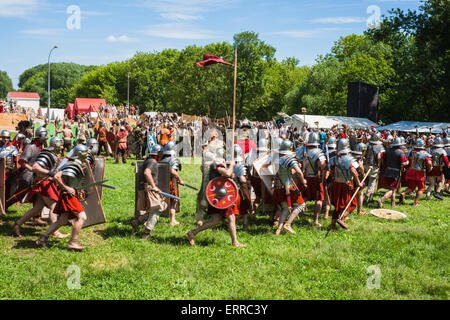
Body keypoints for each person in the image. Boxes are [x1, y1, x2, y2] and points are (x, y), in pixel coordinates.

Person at [187, 141, 247, 247]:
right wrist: (232, 165)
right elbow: (228, 173)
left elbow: (229, 176)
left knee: (215, 221)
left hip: (218, 195)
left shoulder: (219, 164)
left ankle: (193, 233)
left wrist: (230, 170)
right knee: (231, 218)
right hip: (218, 196)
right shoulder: (216, 164)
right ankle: (235, 242)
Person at [35, 145, 93, 251]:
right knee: (82, 217)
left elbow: (74, 181)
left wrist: (78, 190)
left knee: (61, 221)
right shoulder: (71, 163)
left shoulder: (78, 163)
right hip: (68, 195)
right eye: (86, 153)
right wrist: (67, 188)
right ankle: (72, 242)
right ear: (79, 154)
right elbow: (57, 176)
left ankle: (42, 238)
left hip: (69, 194)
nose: (88, 155)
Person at [12, 136, 68, 239]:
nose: (62, 147)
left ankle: (17, 224)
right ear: (55, 144)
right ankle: (55, 232)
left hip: (46, 182)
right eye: (60, 144)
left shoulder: (53, 154)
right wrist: (50, 173)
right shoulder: (47, 154)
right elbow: (35, 167)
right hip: (44, 183)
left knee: (37, 208)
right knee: (54, 207)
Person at [130, 145, 168, 240]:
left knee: (153, 210)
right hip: (149, 190)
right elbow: (147, 172)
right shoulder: (152, 161)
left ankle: (137, 221)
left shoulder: (147, 160)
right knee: (157, 209)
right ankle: (146, 233)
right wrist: (154, 187)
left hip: (145, 188)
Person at [273, 139, 307, 234]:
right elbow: (299, 172)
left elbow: (284, 172)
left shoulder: (277, 158)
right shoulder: (290, 159)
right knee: (301, 205)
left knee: (285, 208)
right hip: (288, 187)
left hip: (279, 186)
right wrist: (303, 180)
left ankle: (278, 230)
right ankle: (288, 224)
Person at [328, 139, 363, 231]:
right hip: (346, 185)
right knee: (351, 204)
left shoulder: (334, 158)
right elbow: (353, 171)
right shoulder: (349, 159)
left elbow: (330, 170)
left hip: (336, 184)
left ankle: (332, 225)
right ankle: (342, 218)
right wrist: (358, 183)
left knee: (337, 206)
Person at [296, 132, 327, 226]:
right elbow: (322, 166)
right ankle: (316, 221)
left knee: (303, 198)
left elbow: (297, 161)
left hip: (304, 177)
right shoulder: (318, 152)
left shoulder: (302, 149)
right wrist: (323, 175)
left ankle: (292, 219)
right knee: (319, 199)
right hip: (315, 179)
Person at [377, 137, 409, 208]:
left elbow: (381, 159)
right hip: (395, 173)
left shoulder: (387, 151)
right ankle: (381, 199)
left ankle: (393, 204)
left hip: (387, 171)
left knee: (393, 189)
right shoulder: (401, 152)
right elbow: (403, 163)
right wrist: (407, 162)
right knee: (392, 189)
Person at [399, 139, 432, 206]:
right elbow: (429, 163)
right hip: (419, 173)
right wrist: (429, 168)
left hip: (410, 171)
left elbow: (408, 160)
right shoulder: (424, 153)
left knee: (411, 187)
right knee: (421, 188)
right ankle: (415, 202)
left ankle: (404, 193)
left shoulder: (411, 152)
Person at [160, 141, 184, 226]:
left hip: (161, 183)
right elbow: (172, 171)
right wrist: (180, 179)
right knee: (173, 201)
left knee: (160, 202)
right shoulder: (173, 159)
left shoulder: (162, 159)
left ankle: (144, 218)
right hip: (171, 183)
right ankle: (172, 220)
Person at [363, 132, 385, 205]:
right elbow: (379, 158)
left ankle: (371, 198)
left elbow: (364, 155)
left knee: (370, 182)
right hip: (374, 167)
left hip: (367, 166)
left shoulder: (368, 145)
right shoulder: (380, 147)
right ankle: (365, 199)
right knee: (372, 183)